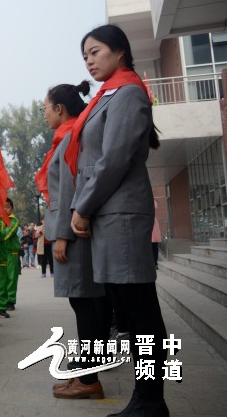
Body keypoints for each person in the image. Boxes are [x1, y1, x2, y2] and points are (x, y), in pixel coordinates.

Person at [68, 24, 168, 416]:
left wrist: (83, 205)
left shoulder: (126, 93)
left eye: (96, 51)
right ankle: (146, 400)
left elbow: (114, 160)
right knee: (132, 311)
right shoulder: (111, 95)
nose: (90, 60)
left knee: (141, 312)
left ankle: (150, 401)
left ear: (120, 52)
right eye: (85, 55)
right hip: (112, 216)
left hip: (121, 215)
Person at [37, 80, 111, 400]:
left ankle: (88, 377)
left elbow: (68, 187)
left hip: (73, 234)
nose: (43, 114)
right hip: (73, 230)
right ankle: (85, 371)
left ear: (59, 108)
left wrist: (62, 236)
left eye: (45, 108)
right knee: (86, 303)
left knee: (84, 304)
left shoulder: (68, 135)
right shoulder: (67, 134)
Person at [2, 199, 21, 310]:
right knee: (1, 277)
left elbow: (7, 233)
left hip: (11, 252)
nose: (5, 209)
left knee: (11, 277)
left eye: (7, 207)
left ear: (12, 208)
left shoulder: (14, 220)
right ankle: (2, 300)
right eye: (3, 207)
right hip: (1, 252)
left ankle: (10, 300)